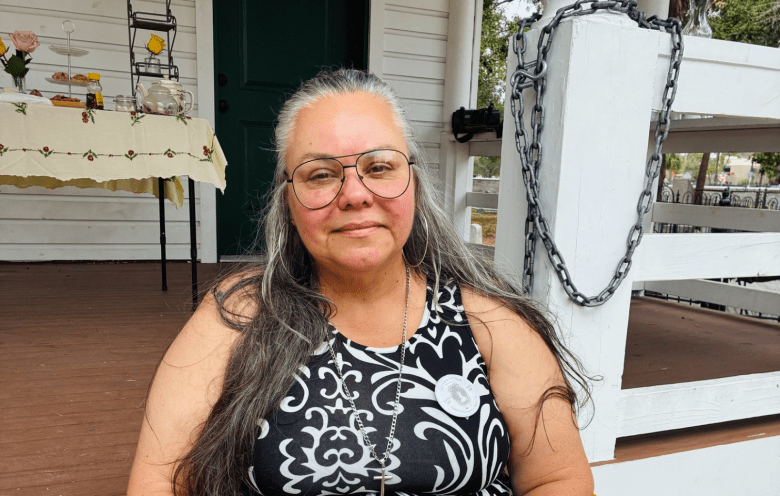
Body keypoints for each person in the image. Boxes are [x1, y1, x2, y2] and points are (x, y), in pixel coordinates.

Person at [127, 69, 594, 496]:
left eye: (379, 167)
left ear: (413, 180)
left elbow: (557, 478)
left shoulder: (484, 319)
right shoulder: (241, 315)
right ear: (288, 201)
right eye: (321, 175)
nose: (354, 195)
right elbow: (159, 480)